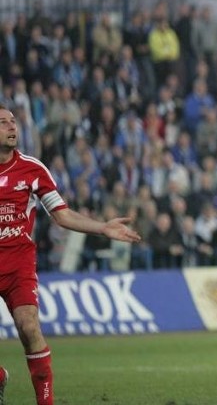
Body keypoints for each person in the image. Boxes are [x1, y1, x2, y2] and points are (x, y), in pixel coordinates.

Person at [0, 105, 141, 405]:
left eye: (13, 122)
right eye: (3, 123)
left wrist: (102, 227)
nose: (12, 127)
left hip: (18, 264)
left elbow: (61, 215)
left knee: (29, 327)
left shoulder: (32, 169)